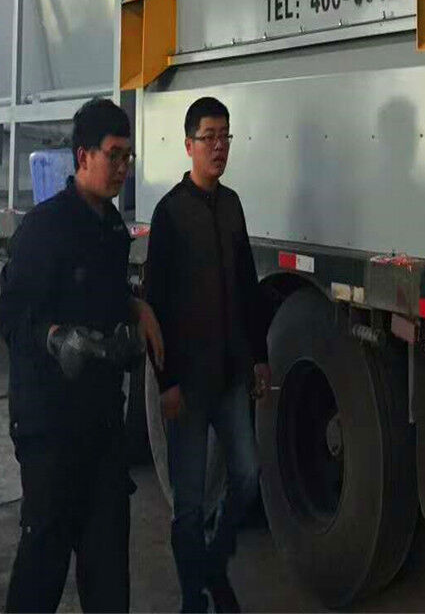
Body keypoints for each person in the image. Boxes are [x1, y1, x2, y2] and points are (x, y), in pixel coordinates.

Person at [0, 98, 164, 614]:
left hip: (101, 427)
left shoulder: (112, 230)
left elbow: (104, 295)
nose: (122, 168)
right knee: (43, 561)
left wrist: (133, 311)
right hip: (48, 429)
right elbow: (11, 313)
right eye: (113, 155)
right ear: (82, 156)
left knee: (108, 567)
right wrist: (55, 338)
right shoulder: (44, 228)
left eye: (128, 157)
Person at [145, 96, 270, 613]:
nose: (219, 147)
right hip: (189, 385)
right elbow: (154, 305)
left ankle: (214, 561)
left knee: (246, 477)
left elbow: (247, 285)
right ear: (189, 144)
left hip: (231, 376)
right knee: (189, 503)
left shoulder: (233, 205)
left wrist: (258, 356)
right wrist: (167, 383)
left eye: (225, 137)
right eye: (209, 137)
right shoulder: (170, 213)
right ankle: (194, 597)